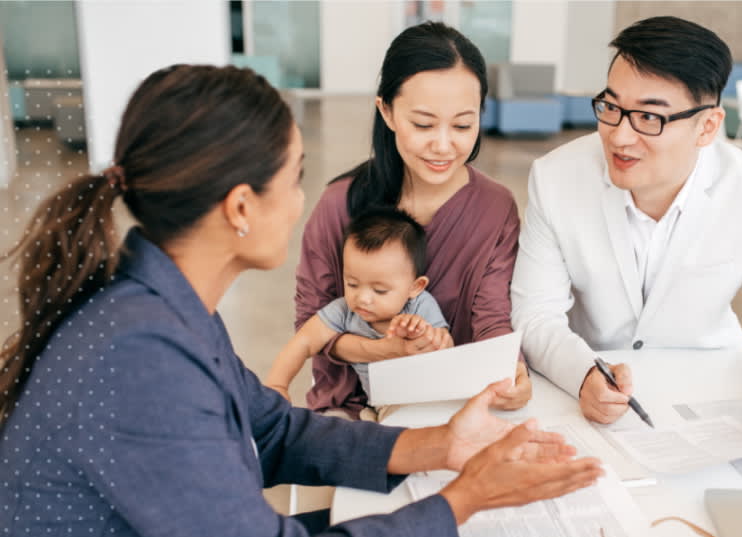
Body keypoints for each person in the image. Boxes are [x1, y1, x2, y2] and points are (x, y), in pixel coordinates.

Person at [0, 64, 602, 537]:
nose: (301, 202)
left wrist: (441, 444)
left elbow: (274, 431)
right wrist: (465, 498)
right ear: (240, 207)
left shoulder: (162, 309)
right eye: (294, 178)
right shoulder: (140, 358)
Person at [511, 16, 742, 455]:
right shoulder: (555, 177)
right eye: (611, 107)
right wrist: (583, 373)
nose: (619, 136)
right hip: (600, 392)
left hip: (714, 390)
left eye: (648, 117)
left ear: (708, 127)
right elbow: (535, 314)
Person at [297, 22, 531, 419]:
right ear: (386, 112)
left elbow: (491, 317)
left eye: (462, 125)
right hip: (352, 403)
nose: (443, 145)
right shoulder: (340, 204)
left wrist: (512, 367)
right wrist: (387, 351)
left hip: (451, 399)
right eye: (423, 124)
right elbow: (312, 325)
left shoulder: (496, 207)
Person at [266, 208, 451, 404]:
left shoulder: (419, 306)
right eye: (352, 284)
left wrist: (423, 334)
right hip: (385, 407)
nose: (362, 298)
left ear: (415, 287)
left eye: (379, 290)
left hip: (433, 398)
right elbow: (303, 342)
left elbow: (448, 350)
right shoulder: (343, 311)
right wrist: (277, 384)